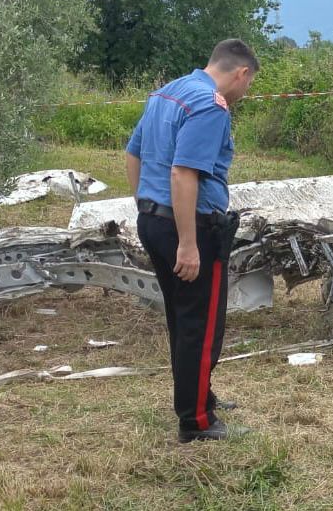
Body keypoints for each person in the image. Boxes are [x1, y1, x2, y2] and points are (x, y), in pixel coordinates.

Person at [125, 39, 258, 442]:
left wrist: (147, 206)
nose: (244, 94)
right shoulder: (210, 105)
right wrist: (187, 242)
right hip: (193, 229)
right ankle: (197, 421)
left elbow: (134, 154)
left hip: (154, 220)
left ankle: (200, 396)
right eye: (248, 86)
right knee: (201, 326)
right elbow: (184, 173)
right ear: (241, 73)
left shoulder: (167, 93)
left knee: (182, 319)